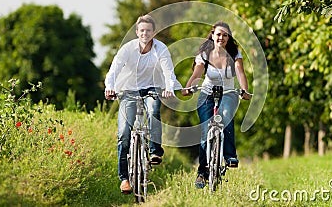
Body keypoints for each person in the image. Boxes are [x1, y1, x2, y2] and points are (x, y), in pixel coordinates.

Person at [104, 14, 181, 194]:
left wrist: (169, 88)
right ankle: (124, 179)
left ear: (153, 32)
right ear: (137, 32)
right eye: (142, 30)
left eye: (148, 30)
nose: (145, 33)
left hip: (152, 88)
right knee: (123, 133)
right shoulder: (127, 49)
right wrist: (110, 87)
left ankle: (155, 151)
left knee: (153, 110)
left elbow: (168, 72)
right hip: (128, 90)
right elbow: (114, 70)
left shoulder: (160, 49)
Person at [181, 21, 251, 189]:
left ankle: (229, 156)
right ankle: (202, 173)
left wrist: (244, 90)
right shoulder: (205, 53)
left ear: (229, 38)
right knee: (206, 132)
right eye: (218, 34)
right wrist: (189, 86)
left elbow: (240, 72)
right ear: (212, 35)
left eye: (225, 35)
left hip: (228, 93)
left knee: (225, 118)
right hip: (207, 93)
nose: (221, 38)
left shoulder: (235, 53)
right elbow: (197, 72)